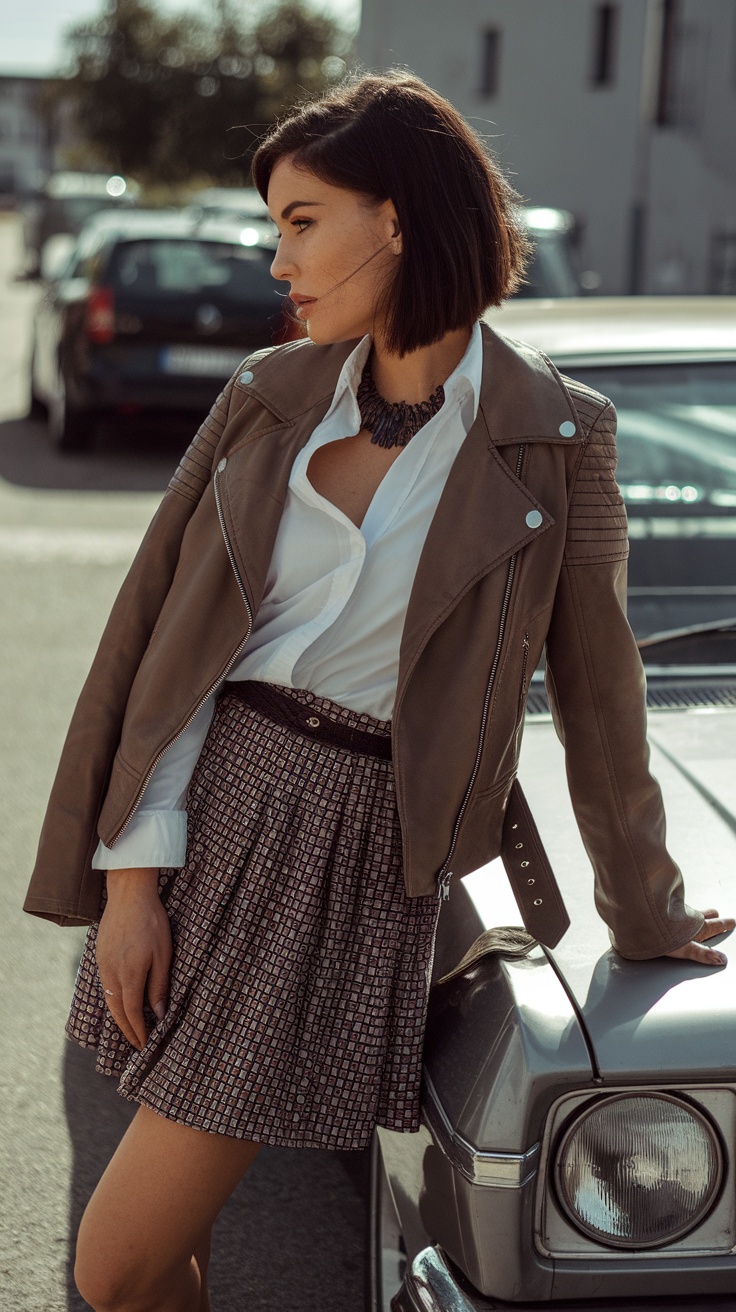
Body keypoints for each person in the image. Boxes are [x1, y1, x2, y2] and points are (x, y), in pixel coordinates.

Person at [23, 70, 732, 1312]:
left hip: (338, 845)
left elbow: (601, 697)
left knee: (115, 1261)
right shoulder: (266, 399)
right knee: (167, 1248)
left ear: (395, 220)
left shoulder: (554, 436)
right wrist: (131, 882)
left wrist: (646, 905)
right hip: (195, 816)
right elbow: (155, 649)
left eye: (301, 220)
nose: (274, 255)